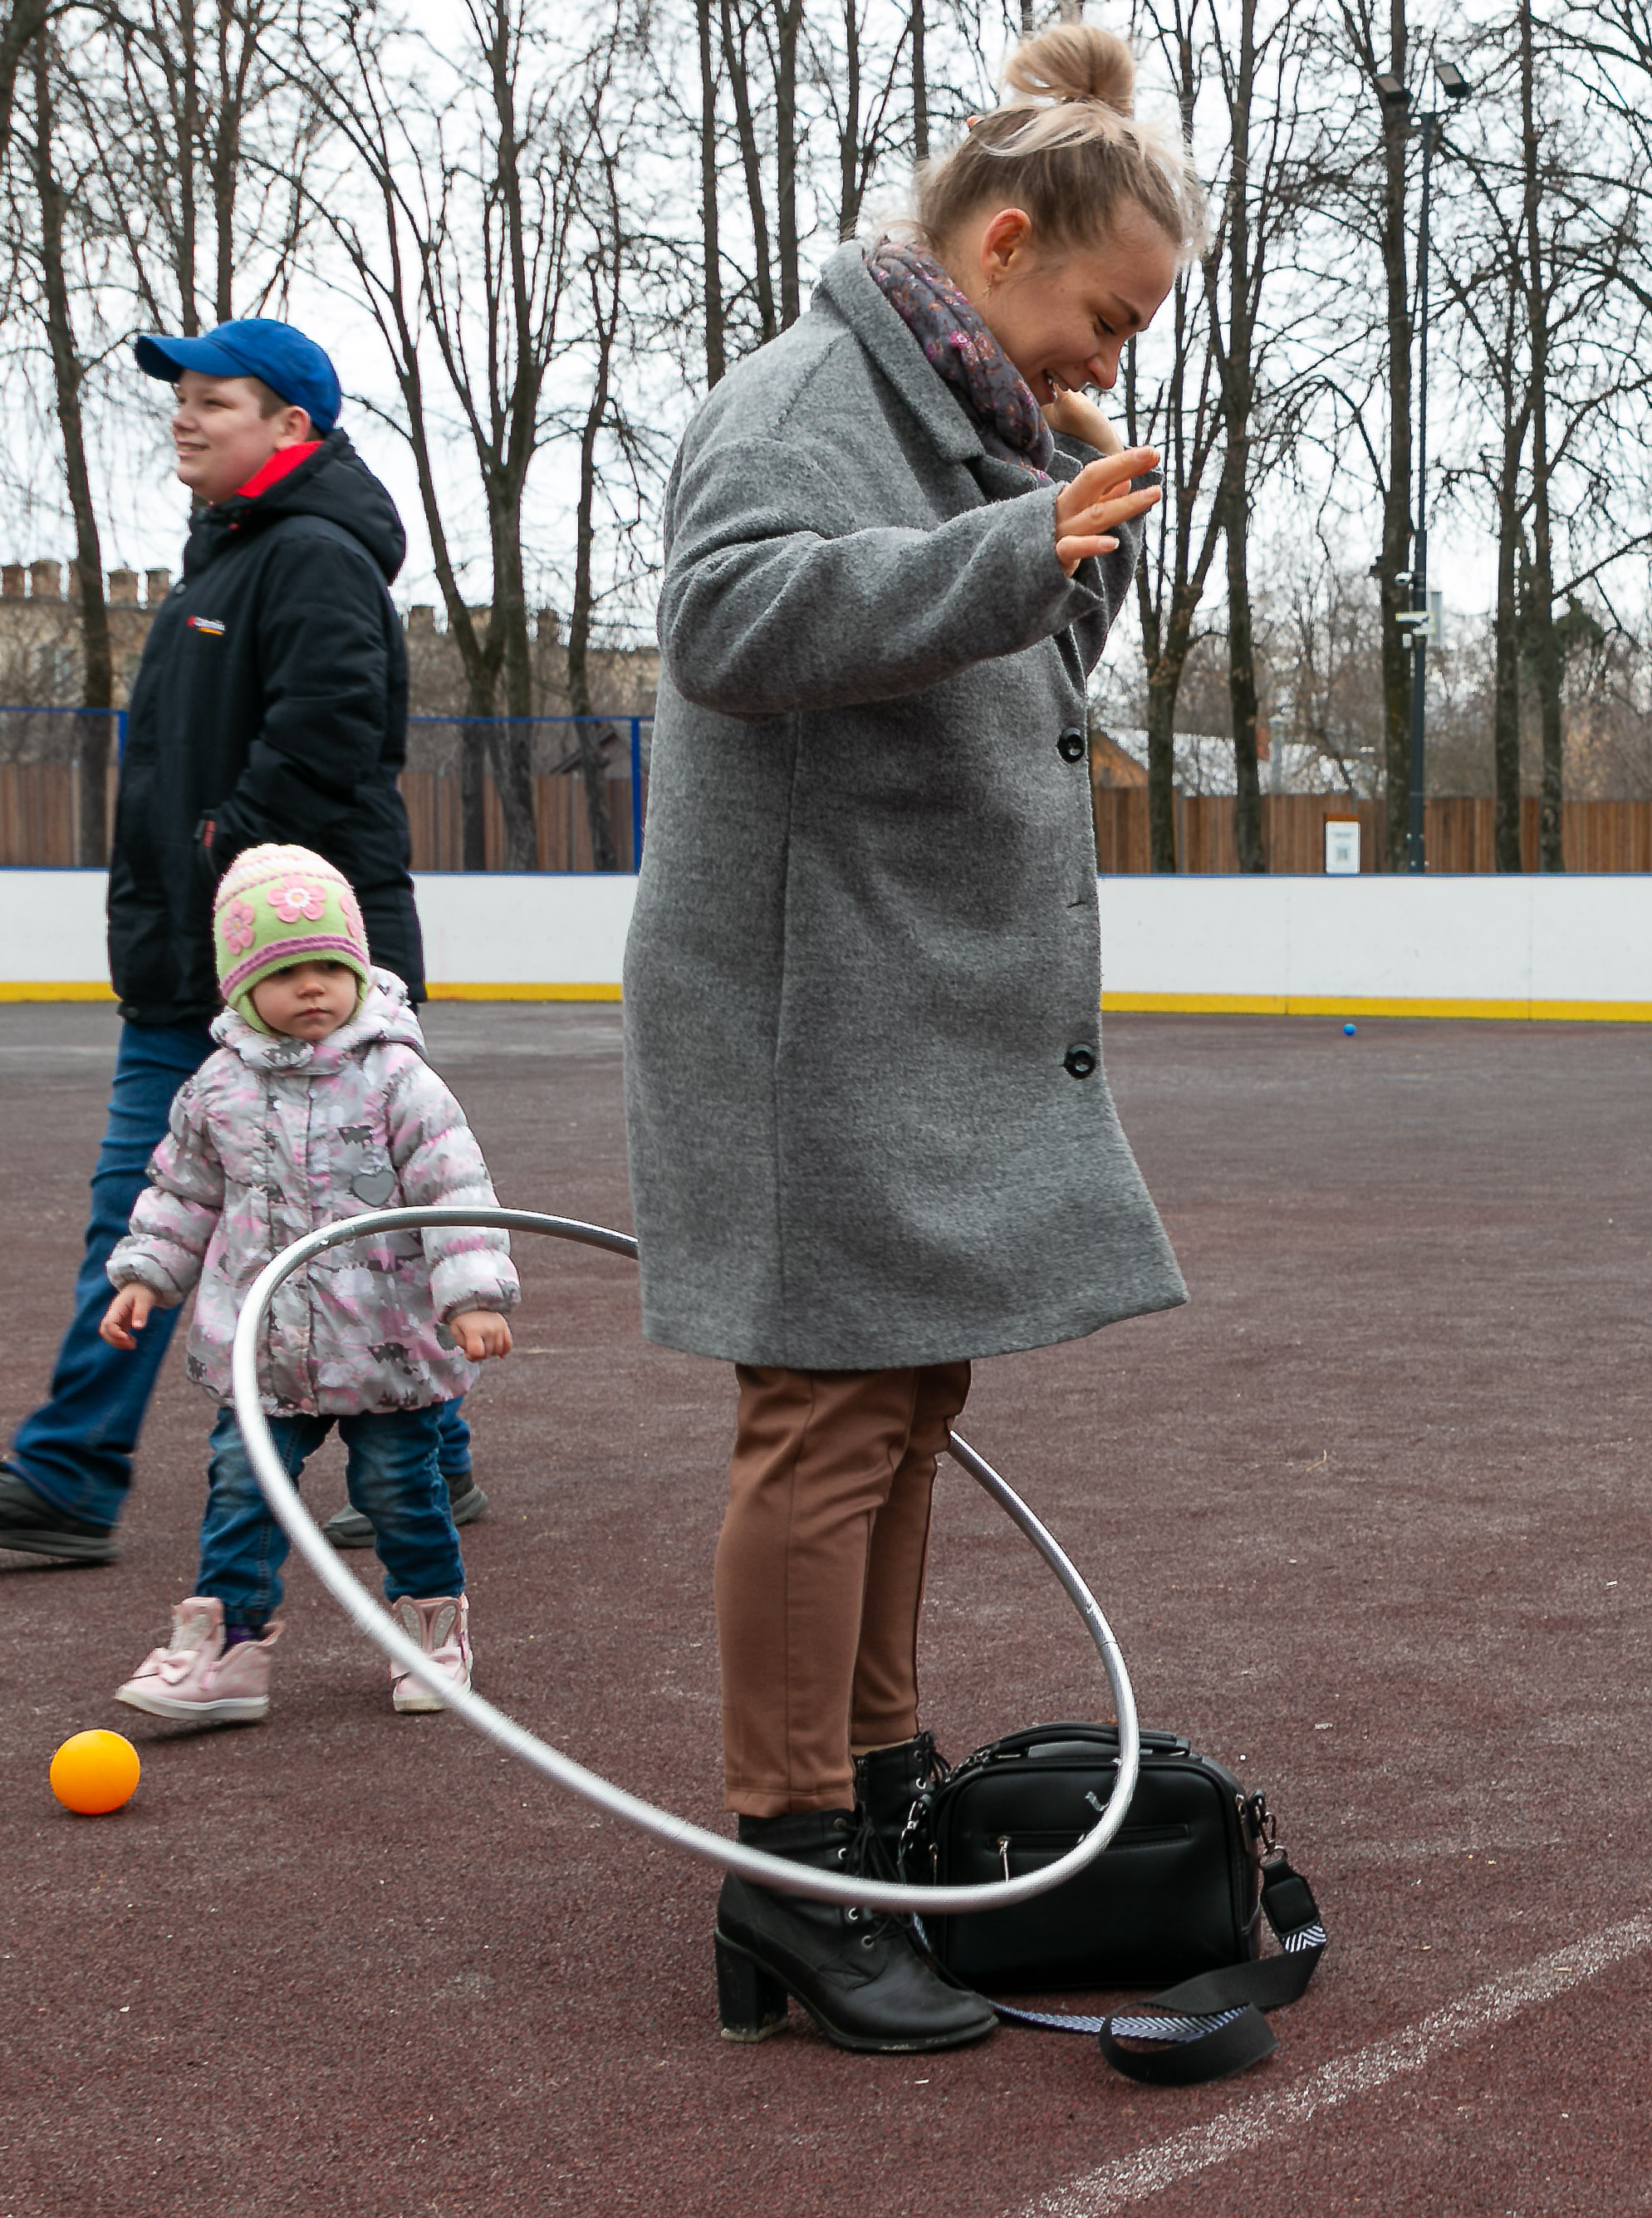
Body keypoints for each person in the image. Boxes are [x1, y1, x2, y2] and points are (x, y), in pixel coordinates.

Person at [631, 21, 1199, 2057]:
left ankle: (873, 1789)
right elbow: (721, 624)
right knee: (822, 1415)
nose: (1108, 364)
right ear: (1005, 236)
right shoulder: (800, 396)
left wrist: (1061, 549)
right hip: (813, 1006)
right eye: (1101, 318)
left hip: (909, 995)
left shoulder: (985, 430)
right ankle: (791, 1869)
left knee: (903, 1392)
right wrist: (1012, 547)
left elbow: (998, 671)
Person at [0, 320, 457, 1568]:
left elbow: (332, 731)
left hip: (287, 971)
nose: (184, 416)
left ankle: (69, 1472)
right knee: (202, 1217)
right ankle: (76, 1468)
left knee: (335, 1213)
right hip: (190, 964)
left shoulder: (308, 555)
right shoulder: (225, 562)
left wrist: (221, 849)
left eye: (216, 399)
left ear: (291, 427)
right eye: (180, 398)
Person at [99, 847, 514, 1725]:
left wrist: (471, 1294)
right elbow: (183, 1194)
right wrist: (146, 1275)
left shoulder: (397, 1077)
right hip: (267, 1352)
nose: (314, 987)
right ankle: (228, 1649)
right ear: (242, 987)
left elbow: (454, 1188)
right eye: (287, 972)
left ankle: (431, 1633)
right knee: (243, 1489)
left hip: (388, 1347)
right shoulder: (216, 1089)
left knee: (402, 1494)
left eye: (331, 965)